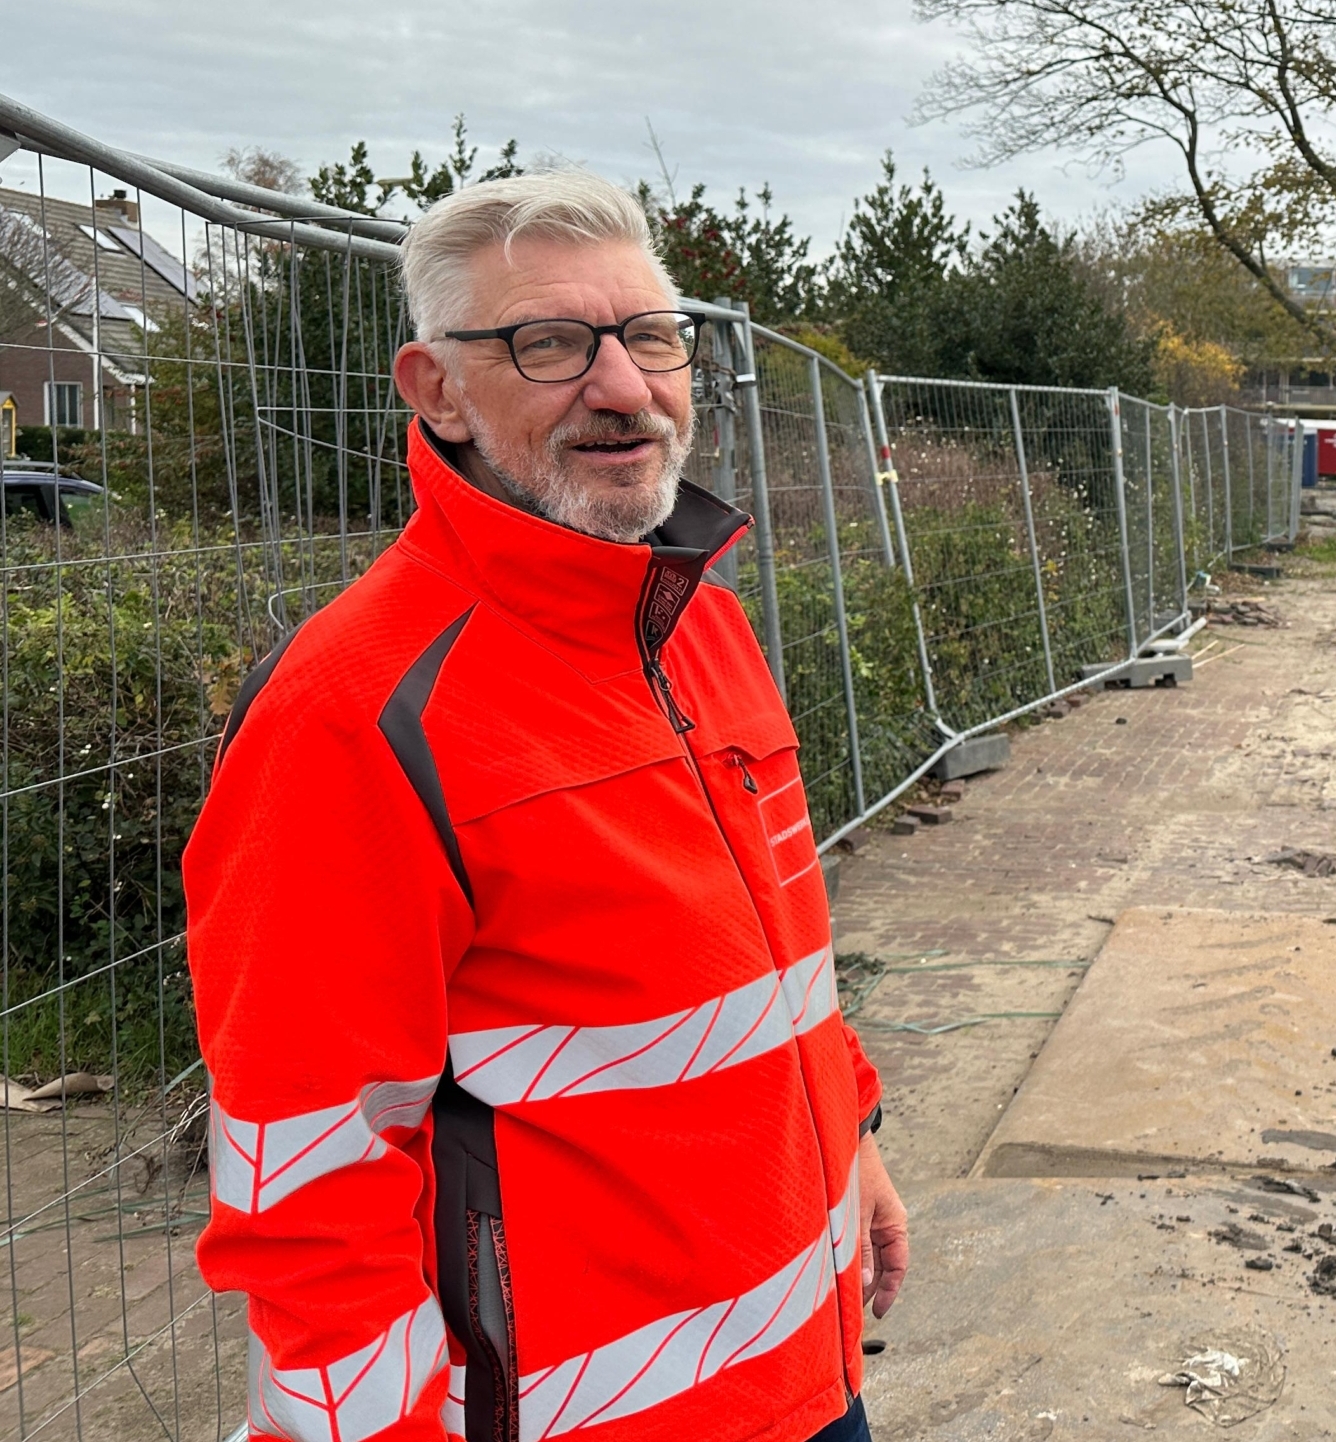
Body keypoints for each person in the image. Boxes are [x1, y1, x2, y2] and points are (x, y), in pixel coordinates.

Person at [185, 169, 906, 1442]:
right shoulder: (353, 716)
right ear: (437, 390)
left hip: (809, 1376)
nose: (623, 387)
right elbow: (308, 1192)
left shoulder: (703, 627)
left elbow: (777, 962)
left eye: (651, 337)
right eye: (551, 344)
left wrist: (853, 1138)